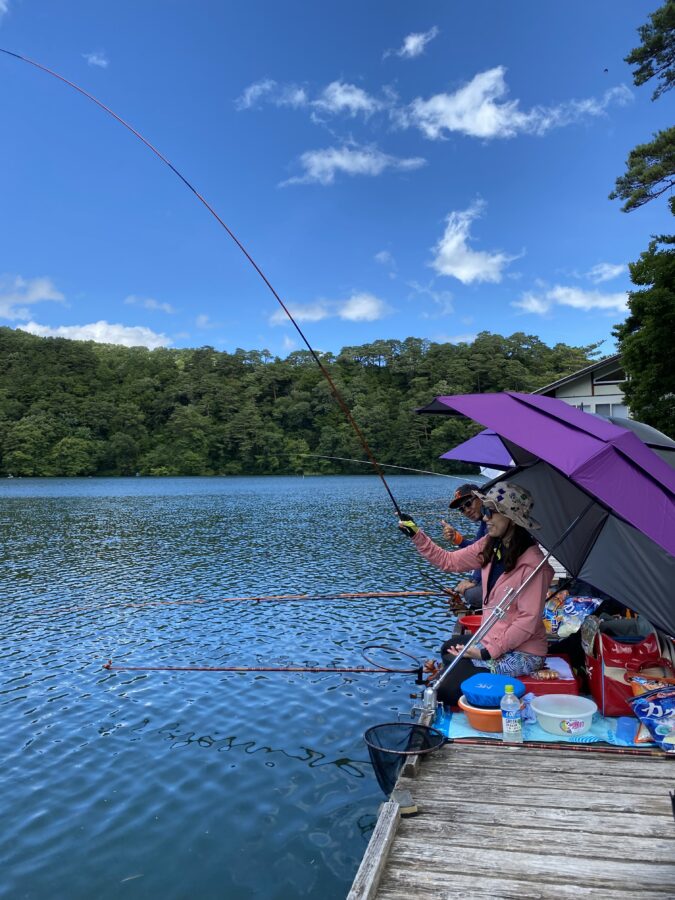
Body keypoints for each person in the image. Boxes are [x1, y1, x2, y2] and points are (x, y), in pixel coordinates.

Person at [398, 482, 553, 706]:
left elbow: (527, 622)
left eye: (490, 512)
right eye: (486, 511)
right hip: (494, 640)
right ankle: (466, 671)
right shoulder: (491, 544)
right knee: (448, 648)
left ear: (510, 517)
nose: (485, 517)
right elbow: (448, 561)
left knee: (447, 690)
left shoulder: (534, 566)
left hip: (523, 653)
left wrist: (486, 652)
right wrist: (416, 534)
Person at [441, 483, 487, 610]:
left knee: (471, 594)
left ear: (480, 497)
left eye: (468, 504)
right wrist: (457, 538)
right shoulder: (485, 521)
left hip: (509, 583)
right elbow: (477, 547)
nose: (466, 511)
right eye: (462, 509)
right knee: (465, 589)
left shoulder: (494, 520)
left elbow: (483, 555)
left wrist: (473, 581)